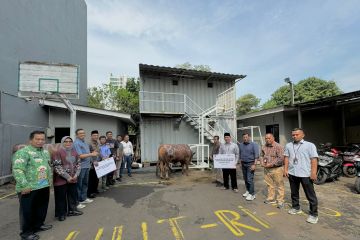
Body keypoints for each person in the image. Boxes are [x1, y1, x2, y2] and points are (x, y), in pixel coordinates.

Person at [12, 131, 52, 240]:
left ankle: (38, 225)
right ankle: (26, 233)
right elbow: (17, 169)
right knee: (27, 211)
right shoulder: (23, 152)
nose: (40, 141)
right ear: (30, 140)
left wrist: (49, 183)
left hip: (43, 186)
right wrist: (24, 185)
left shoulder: (45, 152)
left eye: (42, 139)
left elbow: (48, 168)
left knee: (41, 208)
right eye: (37, 139)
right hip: (29, 188)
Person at [284, 128, 319, 224]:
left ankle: (313, 214)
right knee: (294, 193)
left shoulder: (310, 145)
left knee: (310, 195)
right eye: (293, 135)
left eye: (297, 134)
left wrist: (313, 172)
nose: (294, 136)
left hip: (305, 174)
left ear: (303, 135)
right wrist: (286, 169)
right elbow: (286, 157)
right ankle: (296, 207)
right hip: (292, 173)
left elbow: (314, 159)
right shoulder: (288, 145)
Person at [52, 136, 83, 221]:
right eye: (66, 141)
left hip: (73, 178)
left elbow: (79, 164)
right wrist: (67, 177)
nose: (68, 143)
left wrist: (76, 175)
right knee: (60, 197)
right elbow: (57, 166)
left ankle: (72, 210)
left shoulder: (75, 152)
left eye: (70, 141)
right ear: (62, 142)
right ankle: (61, 214)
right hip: (60, 180)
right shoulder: (57, 152)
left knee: (72, 195)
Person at [73, 129, 98, 208]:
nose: (82, 134)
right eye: (80, 133)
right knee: (79, 185)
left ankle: (83, 198)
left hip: (87, 165)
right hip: (80, 167)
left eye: (83, 133)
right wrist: (92, 154)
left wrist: (92, 161)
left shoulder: (84, 142)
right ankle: (77, 201)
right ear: (76, 135)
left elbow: (88, 154)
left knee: (85, 183)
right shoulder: (76, 143)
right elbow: (80, 156)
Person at [260, 133, 285, 208]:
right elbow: (261, 155)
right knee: (269, 185)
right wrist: (261, 162)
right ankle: (271, 198)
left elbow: (281, 159)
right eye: (266, 138)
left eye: (269, 138)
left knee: (279, 185)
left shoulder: (278, 146)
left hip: (277, 169)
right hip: (267, 169)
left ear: (273, 138)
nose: (267, 140)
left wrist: (270, 164)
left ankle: (280, 201)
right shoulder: (264, 146)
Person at [239, 133, 259, 201]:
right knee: (245, 179)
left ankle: (252, 194)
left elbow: (256, 155)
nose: (245, 138)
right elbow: (240, 154)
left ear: (249, 137)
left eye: (246, 137)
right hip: (243, 164)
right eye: (244, 137)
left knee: (249, 179)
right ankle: (248, 191)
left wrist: (254, 165)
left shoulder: (254, 144)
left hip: (251, 163)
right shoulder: (241, 145)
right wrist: (240, 163)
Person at [88, 130, 100, 198]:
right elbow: (88, 154)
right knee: (91, 179)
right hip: (91, 164)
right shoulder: (89, 143)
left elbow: (98, 152)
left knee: (96, 178)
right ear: (91, 136)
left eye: (97, 135)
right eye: (94, 135)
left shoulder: (97, 143)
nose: (96, 136)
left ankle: (95, 190)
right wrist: (92, 162)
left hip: (97, 163)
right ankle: (90, 192)